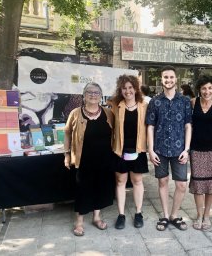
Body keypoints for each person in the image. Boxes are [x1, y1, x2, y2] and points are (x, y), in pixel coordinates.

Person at [64, 82, 115, 236]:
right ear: (84, 95)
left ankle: (97, 217)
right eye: (90, 92)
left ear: (101, 96)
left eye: (96, 92)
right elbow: (67, 133)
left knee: (100, 188)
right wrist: (66, 154)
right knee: (83, 190)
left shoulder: (108, 113)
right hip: (83, 160)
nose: (93, 95)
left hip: (104, 159)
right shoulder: (75, 113)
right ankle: (79, 223)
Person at [146, 65, 192, 231]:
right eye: (165, 77)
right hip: (160, 150)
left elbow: (188, 126)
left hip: (180, 150)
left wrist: (187, 149)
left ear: (176, 79)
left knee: (181, 185)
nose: (169, 80)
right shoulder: (155, 101)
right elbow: (150, 126)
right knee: (163, 182)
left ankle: (174, 214)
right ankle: (165, 215)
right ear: (162, 79)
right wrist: (150, 150)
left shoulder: (185, 101)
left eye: (171, 77)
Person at [111, 75, 149, 229]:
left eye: (130, 87)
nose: (128, 91)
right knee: (120, 182)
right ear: (121, 90)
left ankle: (138, 213)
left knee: (137, 181)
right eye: (124, 88)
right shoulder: (115, 106)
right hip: (120, 151)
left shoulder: (144, 106)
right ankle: (121, 215)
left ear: (135, 89)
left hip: (138, 151)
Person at [189, 74, 212, 231]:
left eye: (210, 88)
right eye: (203, 88)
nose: (207, 91)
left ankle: (207, 215)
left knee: (210, 184)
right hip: (195, 149)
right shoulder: (193, 102)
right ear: (199, 89)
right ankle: (199, 215)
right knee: (198, 184)